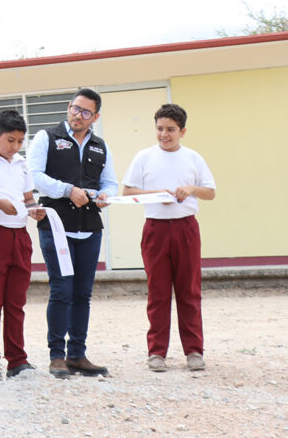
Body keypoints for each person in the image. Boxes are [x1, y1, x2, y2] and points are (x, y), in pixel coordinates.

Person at [28, 88, 117, 378]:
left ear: (96, 116)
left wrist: (106, 196)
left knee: (83, 293)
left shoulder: (100, 146)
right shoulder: (47, 137)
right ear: (69, 107)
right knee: (62, 290)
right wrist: (68, 190)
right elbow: (35, 176)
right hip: (56, 224)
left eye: (86, 112)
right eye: (75, 108)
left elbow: (110, 183)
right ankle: (57, 356)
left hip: (90, 227)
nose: (78, 115)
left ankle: (77, 354)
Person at [121, 103, 216, 372]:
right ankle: (157, 352)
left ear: (182, 131)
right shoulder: (144, 157)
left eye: (171, 130)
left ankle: (194, 351)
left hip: (186, 228)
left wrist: (190, 189)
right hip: (155, 230)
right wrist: (155, 194)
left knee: (189, 291)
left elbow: (210, 192)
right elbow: (127, 191)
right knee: (158, 292)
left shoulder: (193, 158)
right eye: (160, 129)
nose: (164, 134)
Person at [0, 109, 45, 381]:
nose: (15, 147)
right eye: (10, 140)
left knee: (16, 301)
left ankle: (17, 359)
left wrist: (35, 209)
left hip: (20, 235)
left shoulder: (22, 164)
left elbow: (28, 198)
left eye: (19, 142)